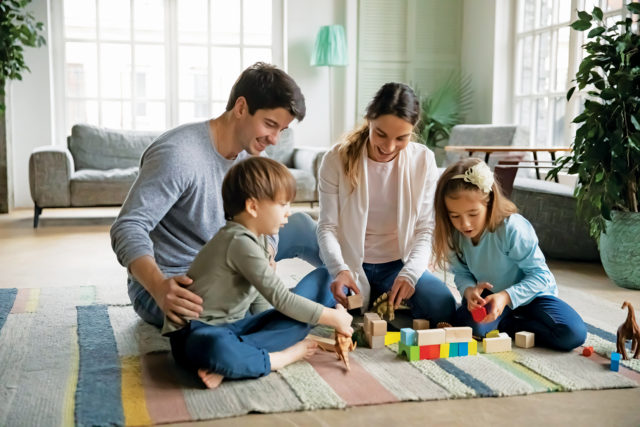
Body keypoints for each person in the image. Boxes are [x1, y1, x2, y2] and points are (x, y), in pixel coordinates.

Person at [111, 62, 322, 328]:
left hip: (237, 254)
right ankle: (300, 316)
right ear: (242, 108)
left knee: (302, 226)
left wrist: (266, 251)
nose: (274, 140)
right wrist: (158, 286)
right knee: (246, 319)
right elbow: (128, 226)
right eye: (270, 124)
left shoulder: (254, 155)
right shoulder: (178, 154)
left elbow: (266, 227)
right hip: (180, 281)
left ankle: (357, 288)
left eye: (282, 130)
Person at [164, 157, 352, 388]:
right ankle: (275, 359)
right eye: (283, 204)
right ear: (253, 207)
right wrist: (335, 318)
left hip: (234, 330)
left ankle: (236, 362)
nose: (288, 213)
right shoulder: (238, 242)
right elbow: (281, 299)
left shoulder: (258, 240)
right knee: (218, 348)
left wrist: (280, 322)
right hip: (197, 335)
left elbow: (267, 300)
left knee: (321, 286)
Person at [316, 82, 456, 323]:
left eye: (401, 138)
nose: (388, 147)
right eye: (380, 134)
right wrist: (339, 269)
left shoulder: (423, 160)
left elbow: (425, 227)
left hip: (397, 266)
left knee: (443, 306)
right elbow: (327, 227)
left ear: (412, 131)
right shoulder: (335, 159)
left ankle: (383, 297)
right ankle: (377, 299)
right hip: (349, 265)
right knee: (302, 304)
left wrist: (411, 273)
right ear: (369, 120)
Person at [432, 158, 587, 351]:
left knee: (572, 334)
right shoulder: (453, 235)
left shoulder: (511, 228)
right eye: (455, 216)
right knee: (469, 326)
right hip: (490, 297)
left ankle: (509, 323)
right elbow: (462, 273)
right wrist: (469, 290)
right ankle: (509, 323)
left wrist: (506, 297)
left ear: (488, 202)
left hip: (533, 296)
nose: (465, 224)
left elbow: (541, 276)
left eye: (473, 214)